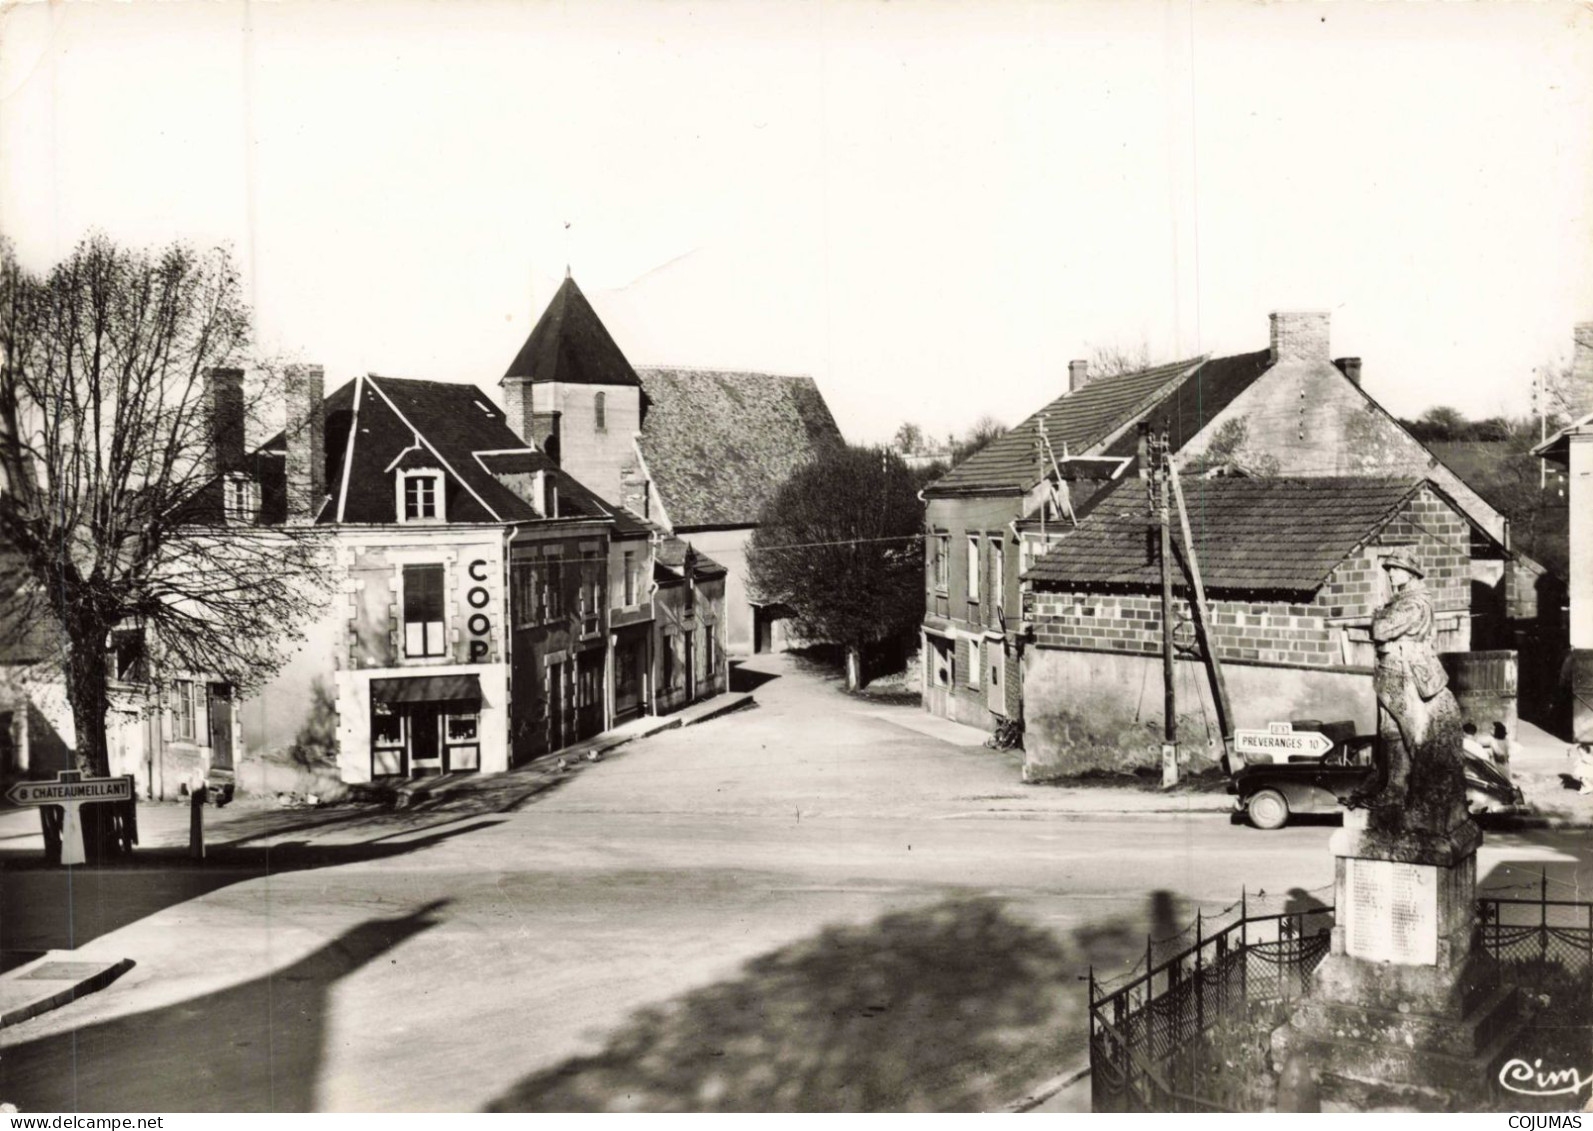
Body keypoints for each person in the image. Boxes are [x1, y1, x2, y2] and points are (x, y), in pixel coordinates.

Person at [1344, 548, 1468, 831]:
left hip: (1404, 672)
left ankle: (1423, 794)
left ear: (1411, 573)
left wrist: (1379, 619)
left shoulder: (1413, 603)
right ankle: (1395, 789)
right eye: (1388, 569)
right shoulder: (1401, 600)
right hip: (1390, 671)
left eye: (1396, 569)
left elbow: (1380, 630)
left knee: (1413, 735)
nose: (1390, 573)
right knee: (1390, 734)